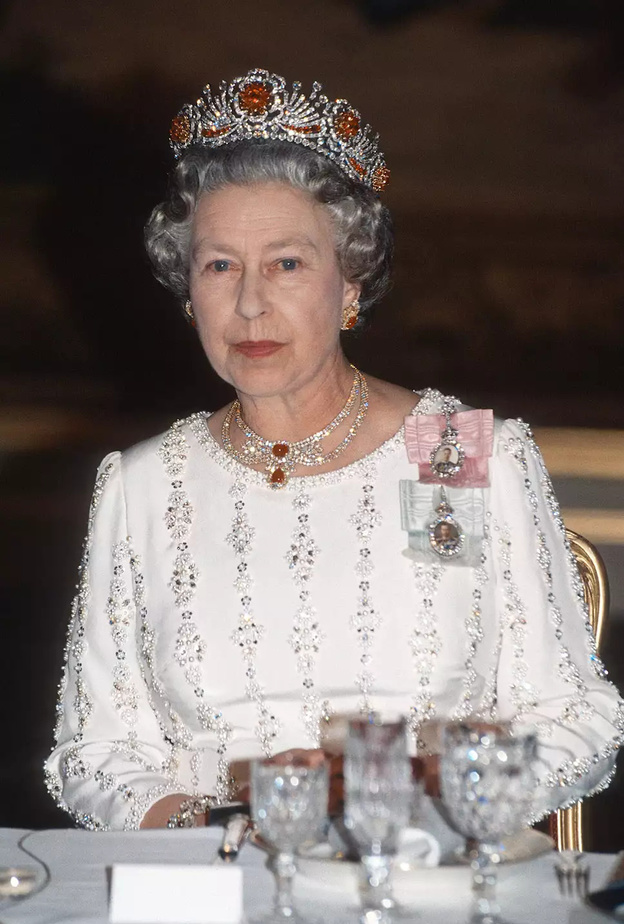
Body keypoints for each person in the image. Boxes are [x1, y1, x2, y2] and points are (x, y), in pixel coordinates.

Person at [45, 68, 623, 832]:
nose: (251, 302)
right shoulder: (146, 484)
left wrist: (415, 806)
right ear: (189, 295)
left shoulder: (445, 454)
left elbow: (575, 715)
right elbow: (93, 752)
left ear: (350, 281)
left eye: (287, 263)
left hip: (421, 882)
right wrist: (220, 837)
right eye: (220, 265)